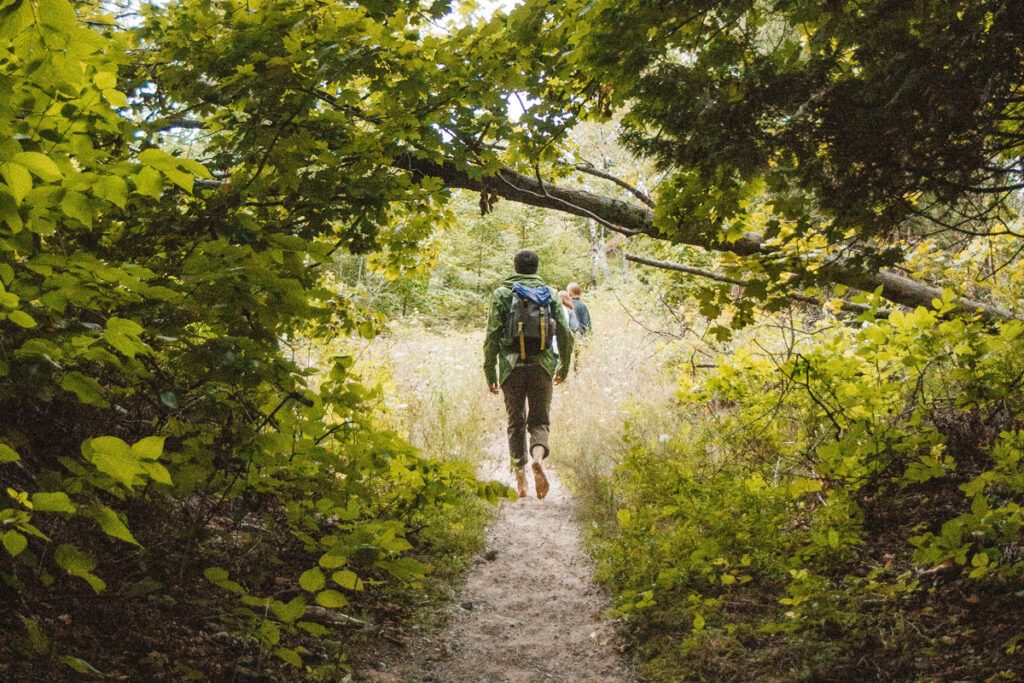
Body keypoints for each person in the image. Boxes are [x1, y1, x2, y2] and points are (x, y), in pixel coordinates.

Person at [484, 250, 573, 499]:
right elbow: (565, 332)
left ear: (515, 267)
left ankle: (521, 477)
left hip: (511, 367)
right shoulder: (550, 294)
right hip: (542, 366)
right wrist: (563, 367)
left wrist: (489, 371)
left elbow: (491, 335)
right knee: (539, 420)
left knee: (515, 422)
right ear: (536, 267)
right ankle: (537, 457)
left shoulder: (502, 294)